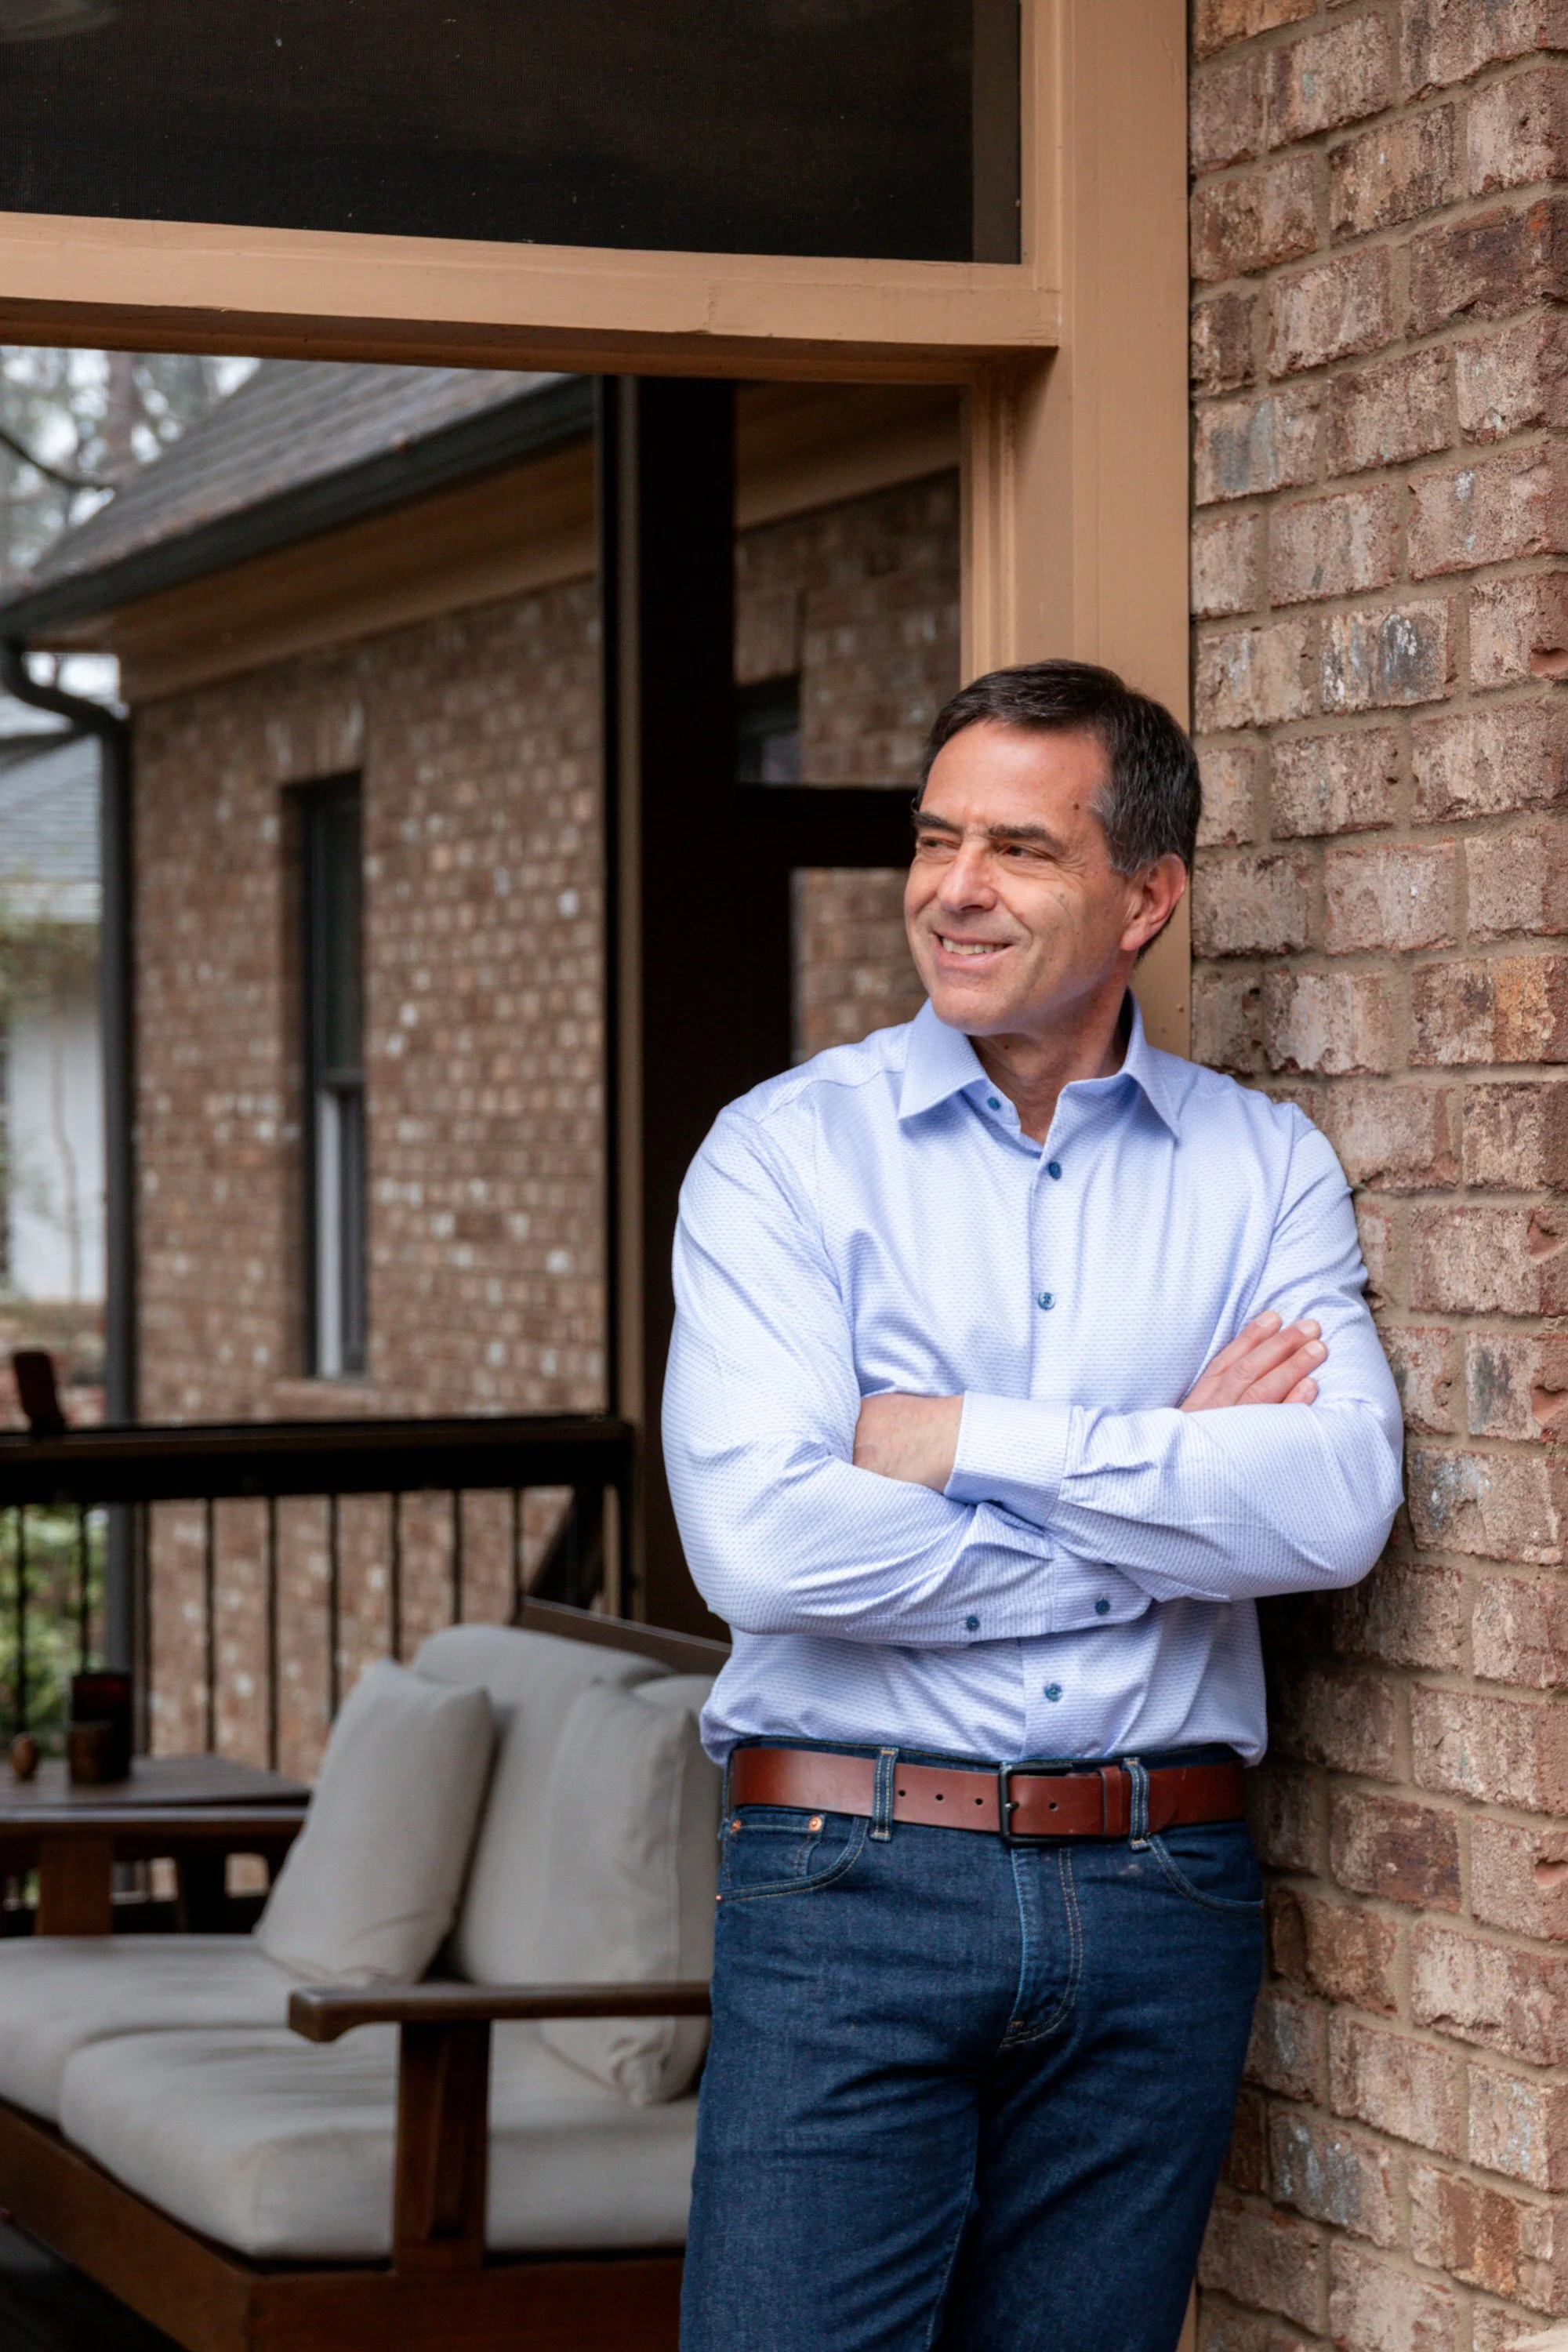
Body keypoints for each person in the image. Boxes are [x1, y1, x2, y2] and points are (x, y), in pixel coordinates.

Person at [663, 661, 1403, 2352]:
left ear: (1146, 898)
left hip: (1164, 1897)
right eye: (934, 842)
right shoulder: (783, 1158)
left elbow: (1336, 1504)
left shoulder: (1261, 1167)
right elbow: (764, 1548)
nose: (952, 891)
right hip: (849, 1875)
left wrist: (965, 1438)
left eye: (1016, 848)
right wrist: (1160, 1482)